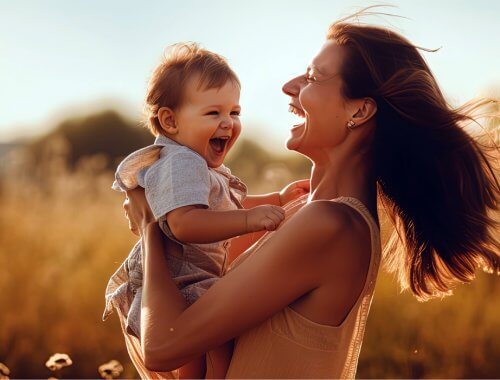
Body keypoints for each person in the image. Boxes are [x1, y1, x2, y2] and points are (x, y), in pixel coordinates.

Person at [123, 10, 499, 379]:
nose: (289, 86)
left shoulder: (330, 224)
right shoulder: (302, 210)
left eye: (313, 77)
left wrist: (150, 225)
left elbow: (163, 348)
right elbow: (193, 277)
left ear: (360, 110)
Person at [103, 42, 309, 379]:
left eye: (235, 112)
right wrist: (248, 221)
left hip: (195, 279)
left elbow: (224, 207)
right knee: (203, 355)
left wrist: (277, 198)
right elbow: (185, 223)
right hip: (180, 283)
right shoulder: (182, 162)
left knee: (211, 353)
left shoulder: (197, 164)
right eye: (213, 113)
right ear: (169, 121)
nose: (228, 123)